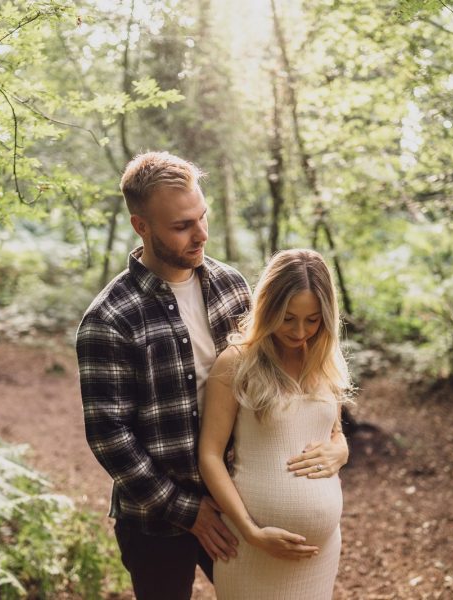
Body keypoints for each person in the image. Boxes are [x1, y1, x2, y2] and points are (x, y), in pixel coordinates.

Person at [76, 153, 347, 599]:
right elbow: (110, 436)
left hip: (242, 504)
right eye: (182, 226)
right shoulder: (109, 319)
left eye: (202, 217)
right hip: (158, 520)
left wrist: (337, 443)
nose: (200, 233)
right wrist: (190, 510)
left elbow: (293, 380)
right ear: (140, 225)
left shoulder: (232, 286)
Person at [199, 248, 352, 600]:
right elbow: (209, 455)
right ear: (267, 308)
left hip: (321, 551)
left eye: (312, 319)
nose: (300, 331)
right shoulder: (237, 362)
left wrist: (341, 450)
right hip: (252, 548)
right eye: (287, 318)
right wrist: (251, 532)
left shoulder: (326, 361)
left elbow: (334, 432)